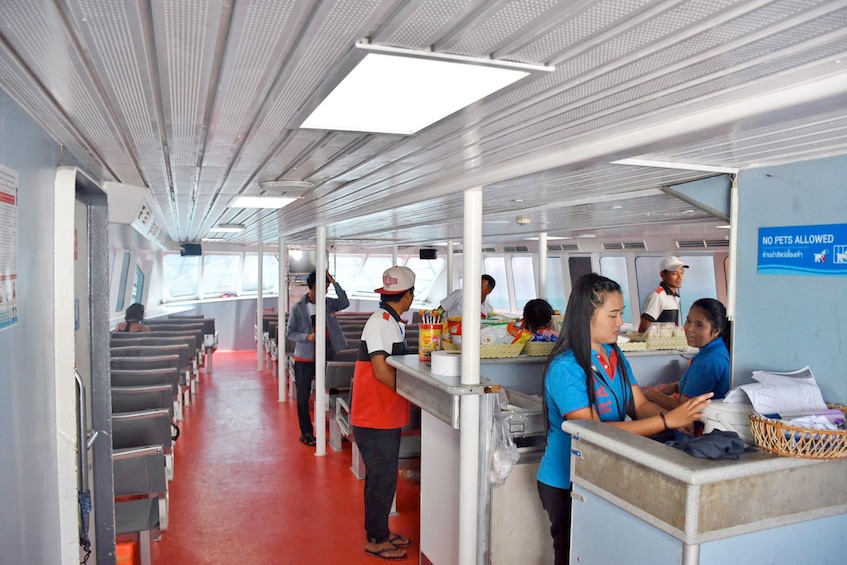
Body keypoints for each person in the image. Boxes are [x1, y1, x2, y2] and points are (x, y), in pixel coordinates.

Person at [537, 273, 712, 565]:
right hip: (565, 480)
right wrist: (667, 422)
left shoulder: (614, 354)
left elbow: (639, 403)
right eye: (613, 315)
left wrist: (675, 417)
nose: (621, 322)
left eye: (621, 314)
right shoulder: (565, 367)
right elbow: (592, 431)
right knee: (572, 554)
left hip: (603, 472)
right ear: (587, 316)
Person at [350, 266, 416, 561]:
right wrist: (409, 395)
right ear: (409, 296)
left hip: (386, 414)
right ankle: (375, 539)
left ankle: (383, 531)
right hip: (374, 416)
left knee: (387, 477)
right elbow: (380, 370)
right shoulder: (379, 322)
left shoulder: (393, 321)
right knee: (380, 478)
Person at [644, 298, 731, 440]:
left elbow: (684, 409)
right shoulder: (717, 352)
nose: (689, 328)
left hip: (694, 438)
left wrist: (653, 395)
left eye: (699, 325)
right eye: (688, 321)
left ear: (715, 332)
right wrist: (676, 386)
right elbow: (706, 387)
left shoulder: (708, 362)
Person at [286, 271, 349, 446]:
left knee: (333, 390)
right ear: (314, 287)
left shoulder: (328, 303)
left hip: (328, 354)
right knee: (303, 398)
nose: (327, 289)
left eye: (328, 286)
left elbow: (345, 302)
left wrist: (334, 282)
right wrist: (307, 337)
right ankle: (306, 433)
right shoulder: (298, 308)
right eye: (325, 286)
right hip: (305, 358)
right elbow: (290, 332)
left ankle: (339, 427)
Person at [638, 256, 688, 332]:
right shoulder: (657, 296)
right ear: (662, 275)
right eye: (674, 273)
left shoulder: (675, 297)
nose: (680, 277)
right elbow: (643, 328)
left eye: (682, 273)